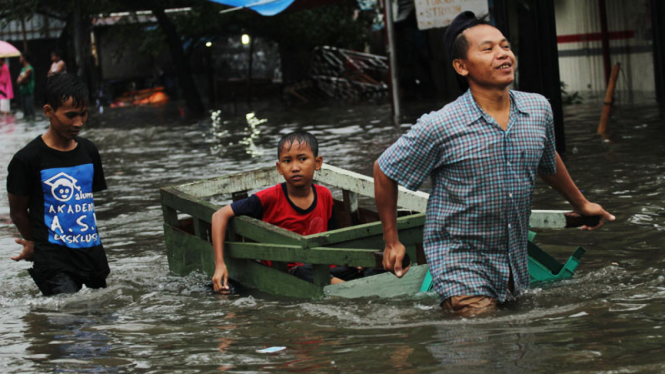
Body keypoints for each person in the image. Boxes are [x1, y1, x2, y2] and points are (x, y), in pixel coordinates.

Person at [373, 11, 615, 315]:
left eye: (505, 46)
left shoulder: (538, 109)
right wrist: (392, 242)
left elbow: (546, 159)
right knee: (481, 334)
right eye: (487, 49)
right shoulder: (441, 125)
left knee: (517, 351)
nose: (502, 54)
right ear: (462, 66)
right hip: (459, 261)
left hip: (513, 260)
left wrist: (582, 203)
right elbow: (385, 169)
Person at [7, 73, 110, 296]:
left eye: (83, 114)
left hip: (91, 255)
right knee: (67, 320)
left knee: (101, 322)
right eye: (71, 115)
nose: (79, 123)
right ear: (48, 111)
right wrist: (35, 243)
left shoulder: (89, 151)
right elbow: (17, 212)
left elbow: (85, 203)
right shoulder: (27, 159)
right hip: (53, 260)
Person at [211, 131, 349, 293]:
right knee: (305, 270)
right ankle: (350, 291)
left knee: (368, 267)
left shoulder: (324, 195)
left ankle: (345, 286)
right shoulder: (269, 198)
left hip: (323, 266)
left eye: (302, 159)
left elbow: (332, 238)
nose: (295, 167)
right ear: (279, 168)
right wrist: (220, 264)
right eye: (287, 161)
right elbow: (219, 215)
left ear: (317, 163)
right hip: (292, 271)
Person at [16, 52, 35, 118]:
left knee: (30, 111)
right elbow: (18, 81)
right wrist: (22, 79)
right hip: (23, 92)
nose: (19, 58)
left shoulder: (29, 68)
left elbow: (20, 80)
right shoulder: (23, 69)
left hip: (28, 92)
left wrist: (22, 79)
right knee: (25, 113)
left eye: (21, 57)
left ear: (24, 58)